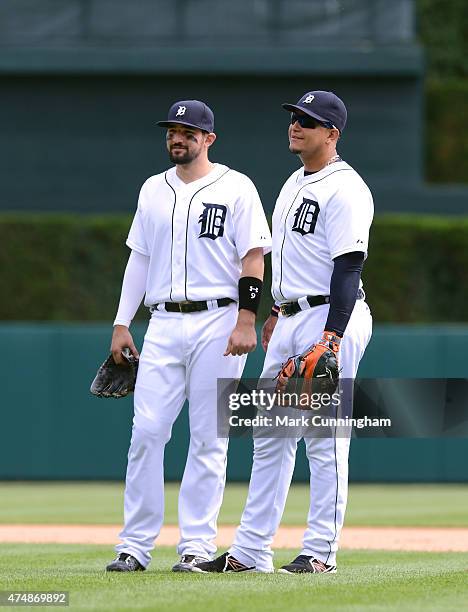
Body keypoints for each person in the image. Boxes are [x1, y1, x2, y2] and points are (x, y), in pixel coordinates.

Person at [194, 90, 373, 574]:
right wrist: (275, 309)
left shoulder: (347, 188)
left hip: (330, 315)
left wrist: (332, 337)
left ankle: (320, 552)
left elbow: (348, 268)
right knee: (272, 436)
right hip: (293, 315)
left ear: (332, 134)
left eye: (309, 121)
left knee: (323, 437)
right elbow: (294, 260)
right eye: (295, 117)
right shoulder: (294, 182)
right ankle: (251, 553)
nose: (296, 125)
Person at [105, 99, 272, 573]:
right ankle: (134, 547)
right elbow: (139, 259)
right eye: (172, 131)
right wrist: (122, 322)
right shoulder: (152, 190)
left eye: (188, 131)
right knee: (147, 433)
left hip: (219, 323)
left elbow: (253, 258)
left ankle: (195, 547)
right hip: (162, 323)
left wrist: (246, 319)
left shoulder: (236, 186)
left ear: (208, 139)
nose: (178, 138)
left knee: (209, 438)